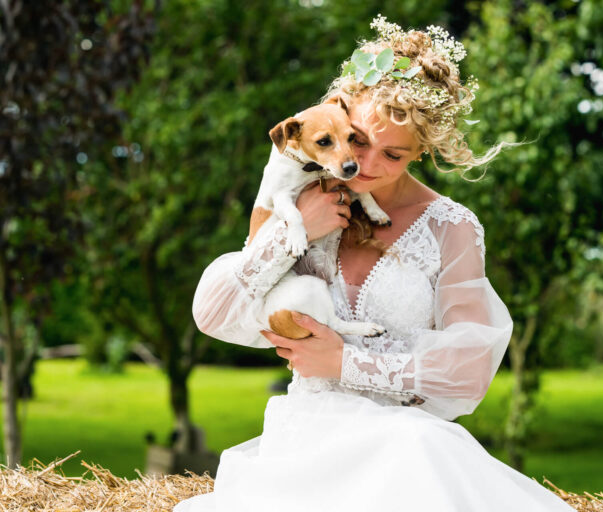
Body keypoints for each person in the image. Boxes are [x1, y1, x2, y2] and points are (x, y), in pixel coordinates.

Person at [174, 15, 576, 512]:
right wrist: (294, 230)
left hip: (404, 443)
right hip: (306, 440)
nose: (363, 165)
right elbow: (214, 313)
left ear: (422, 152)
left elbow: (469, 369)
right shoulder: (299, 201)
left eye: (393, 155)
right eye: (359, 140)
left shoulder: (451, 227)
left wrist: (343, 361)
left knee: (416, 449)